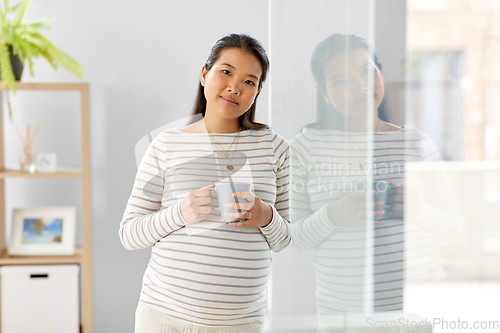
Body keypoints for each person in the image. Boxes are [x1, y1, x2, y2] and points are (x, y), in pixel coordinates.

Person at [289, 34, 463, 331]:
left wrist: (418, 210)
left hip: (418, 312)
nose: (361, 87)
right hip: (343, 318)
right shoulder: (305, 147)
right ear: (325, 93)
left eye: (367, 71)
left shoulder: (416, 142)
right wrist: (333, 215)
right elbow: (294, 239)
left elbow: (455, 231)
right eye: (341, 81)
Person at [119, 33, 290, 333]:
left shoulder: (275, 147)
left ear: (257, 92)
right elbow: (129, 234)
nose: (234, 87)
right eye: (226, 71)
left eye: (249, 81)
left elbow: (284, 238)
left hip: (241, 325)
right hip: (165, 318)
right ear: (204, 74)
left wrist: (266, 216)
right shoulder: (166, 145)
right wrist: (180, 213)